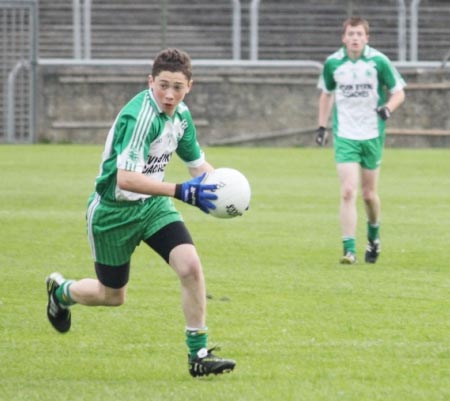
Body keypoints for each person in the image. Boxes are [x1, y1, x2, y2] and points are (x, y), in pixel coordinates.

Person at [45, 48, 236, 377]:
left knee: (190, 265)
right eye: (163, 85)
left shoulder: (181, 117)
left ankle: (198, 355)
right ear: (150, 82)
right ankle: (61, 293)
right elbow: (127, 179)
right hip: (112, 213)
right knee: (112, 296)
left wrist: (225, 191)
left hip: (152, 206)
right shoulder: (141, 117)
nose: (169, 94)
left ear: (190, 85)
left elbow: (197, 167)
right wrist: (180, 191)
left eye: (177, 87)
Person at [316, 17, 406, 264]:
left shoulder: (378, 61)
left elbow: (399, 92)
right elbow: (326, 94)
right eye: (350, 34)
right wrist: (322, 126)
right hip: (345, 135)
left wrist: (388, 108)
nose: (355, 38)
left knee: (368, 194)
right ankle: (349, 250)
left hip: (372, 134)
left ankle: (374, 235)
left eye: (359, 34)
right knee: (347, 191)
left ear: (367, 38)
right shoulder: (334, 63)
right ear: (343, 38)